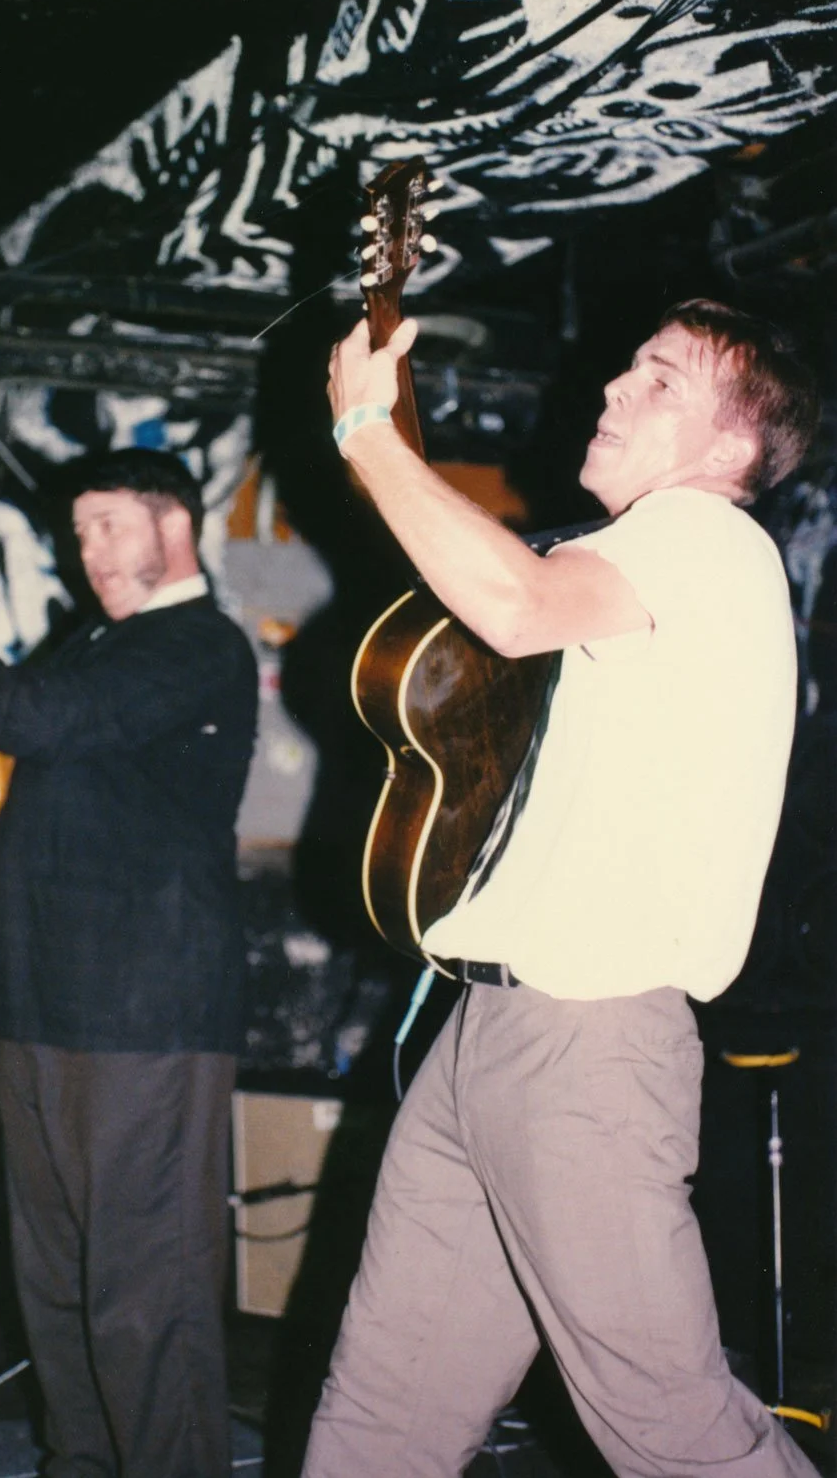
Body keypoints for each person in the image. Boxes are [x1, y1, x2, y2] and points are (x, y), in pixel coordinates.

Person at [302, 301, 821, 1478]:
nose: (613, 390)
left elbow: (512, 605)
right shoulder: (633, 566)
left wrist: (366, 432)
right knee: (384, 1410)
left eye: (659, 382)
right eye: (625, 370)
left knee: (670, 1425)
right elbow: (497, 596)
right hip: (493, 1031)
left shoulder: (701, 535)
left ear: (730, 446)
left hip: (584, 1047)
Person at [0, 448, 258, 1478]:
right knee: (58, 1287)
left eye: (109, 525)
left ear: (174, 525)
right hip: (42, 1000)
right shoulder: (95, 643)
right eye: (79, 533)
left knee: (144, 1294)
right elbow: (34, 728)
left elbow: (50, 717)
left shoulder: (197, 643)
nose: (90, 552)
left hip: (144, 1015)